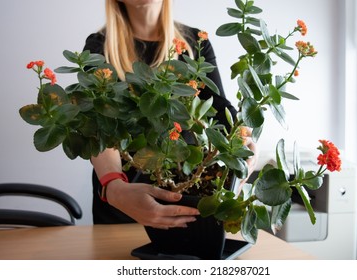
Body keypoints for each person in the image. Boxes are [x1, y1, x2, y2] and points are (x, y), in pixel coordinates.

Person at [84, 0, 254, 228]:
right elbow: (98, 125)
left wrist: (247, 143)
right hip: (125, 204)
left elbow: (221, 112)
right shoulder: (99, 46)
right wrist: (114, 185)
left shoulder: (195, 43)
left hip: (185, 194)